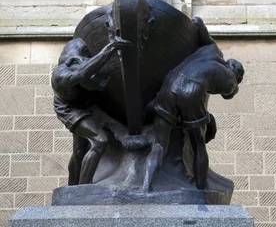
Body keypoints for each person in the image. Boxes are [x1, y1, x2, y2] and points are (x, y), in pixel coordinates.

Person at [142, 43, 244, 192]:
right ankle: (200, 189)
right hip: (192, 89)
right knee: (199, 145)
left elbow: (199, 25)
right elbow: (228, 94)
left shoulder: (212, 50)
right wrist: (235, 82)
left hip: (171, 82)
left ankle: (145, 187)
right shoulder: (231, 80)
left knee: (159, 146)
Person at [52, 37, 151, 185]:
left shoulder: (82, 57)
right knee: (99, 140)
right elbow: (79, 75)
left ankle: (72, 186)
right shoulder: (61, 75)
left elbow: (90, 73)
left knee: (80, 150)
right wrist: (109, 49)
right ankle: (83, 188)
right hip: (70, 109)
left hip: (88, 105)